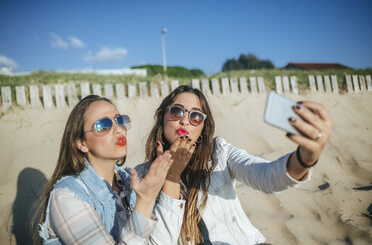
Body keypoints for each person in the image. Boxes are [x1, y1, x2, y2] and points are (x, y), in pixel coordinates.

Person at [139, 85, 333, 244]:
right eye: (177, 111)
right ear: (162, 117)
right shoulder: (141, 177)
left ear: (202, 128)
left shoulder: (219, 152)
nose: (184, 121)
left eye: (196, 116)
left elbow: (265, 176)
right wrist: (170, 176)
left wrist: (304, 159)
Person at [35, 95, 174, 244]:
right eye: (103, 126)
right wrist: (145, 201)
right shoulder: (67, 196)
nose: (119, 130)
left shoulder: (129, 180)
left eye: (119, 120)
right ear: (82, 144)